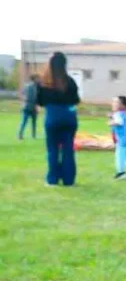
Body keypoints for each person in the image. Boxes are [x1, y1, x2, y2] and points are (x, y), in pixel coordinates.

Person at [36, 51, 80, 187]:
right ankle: (69, 180)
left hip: (53, 116)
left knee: (53, 149)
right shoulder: (70, 81)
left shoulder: (44, 83)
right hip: (69, 117)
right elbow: (76, 100)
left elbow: (40, 102)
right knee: (68, 149)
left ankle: (53, 179)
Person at [109, 95, 126, 180]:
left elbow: (119, 122)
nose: (113, 104)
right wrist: (112, 118)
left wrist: (111, 123)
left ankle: (121, 173)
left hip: (122, 140)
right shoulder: (124, 114)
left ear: (122, 106)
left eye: (115, 102)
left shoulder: (118, 114)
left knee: (120, 156)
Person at [18, 74, 40, 140]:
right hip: (28, 107)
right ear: (34, 79)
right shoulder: (29, 86)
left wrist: (37, 106)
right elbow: (22, 94)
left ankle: (33, 135)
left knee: (34, 123)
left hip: (32, 107)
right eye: (37, 78)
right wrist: (24, 100)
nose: (38, 79)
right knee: (24, 121)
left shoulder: (37, 87)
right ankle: (20, 135)